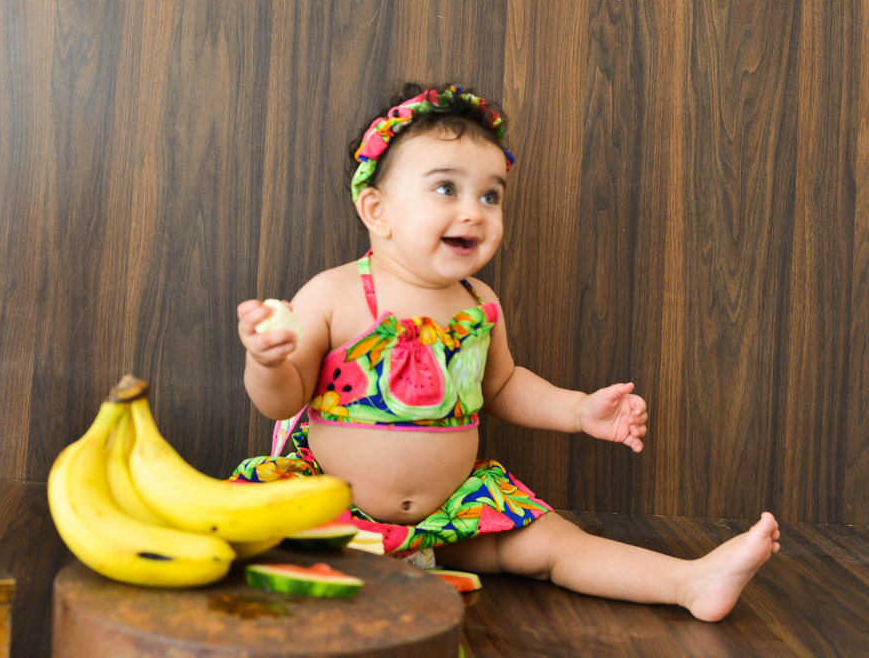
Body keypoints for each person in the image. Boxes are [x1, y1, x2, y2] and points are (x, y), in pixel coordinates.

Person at [232, 83, 779, 621]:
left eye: (490, 195)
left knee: (557, 545)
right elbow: (282, 402)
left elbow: (503, 386)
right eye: (446, 189)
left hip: (455, 519)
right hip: (333, 514)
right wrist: (268, 362)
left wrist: (577, 410)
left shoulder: (480, 304)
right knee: (258, 545)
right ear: (377, 210)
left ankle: (688, 582)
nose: (474, 211)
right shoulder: (336, 294)